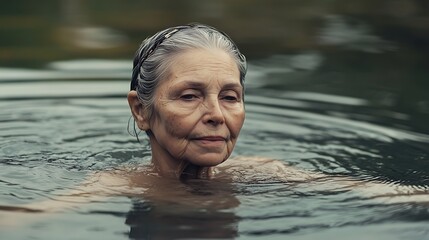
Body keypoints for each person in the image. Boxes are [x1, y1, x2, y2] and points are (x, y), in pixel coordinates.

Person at [127, 23, 248, 180]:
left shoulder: (269, 176)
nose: (217, 115)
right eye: (189, 96)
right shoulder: (102, 193)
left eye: (229, 97)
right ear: (140, 110)